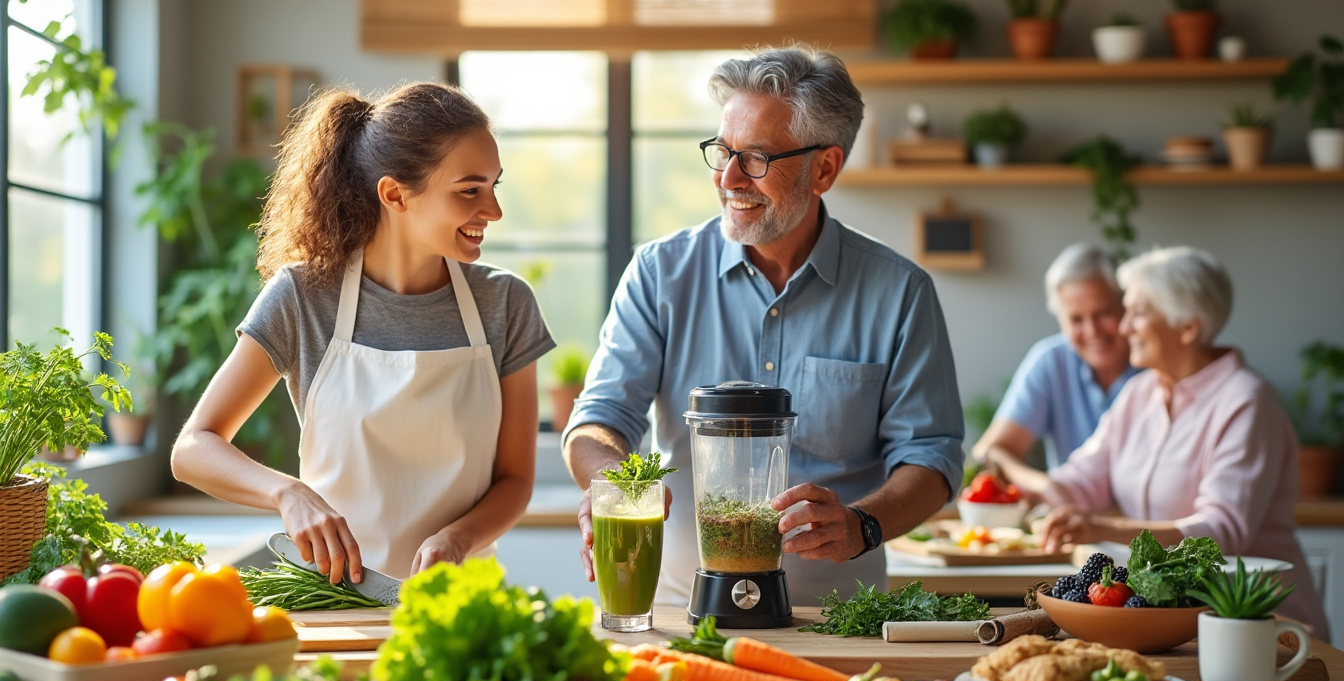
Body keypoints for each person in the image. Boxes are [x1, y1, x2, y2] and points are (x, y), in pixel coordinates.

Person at [562, 45, 964, 606]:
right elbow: (598, 421)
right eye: (722, 151)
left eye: (756, 157)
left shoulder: (900, 292)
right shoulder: (658, 273)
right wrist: (614, 481)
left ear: (824, 168)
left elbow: (932, 456)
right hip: (680, 615)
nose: (728, 177)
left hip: (840, 620)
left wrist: (861, 524)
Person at [171, 83, 555, 582]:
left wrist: (457, 538)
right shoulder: (302, 297)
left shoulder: (506, 303)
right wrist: (288, 493)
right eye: (469, 190)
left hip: (460, 603)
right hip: (335, 601)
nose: (493, 210)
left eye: (493, 186)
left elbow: (515, 479)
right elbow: (194, 447)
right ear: (395, 194)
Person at [1032, 246, 1329, 638]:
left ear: (1187, 327)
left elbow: (1220, 532)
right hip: (1175, 620)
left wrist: (1101, 527)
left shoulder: (1246, 402)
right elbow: (1084, 478)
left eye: (1138, 313)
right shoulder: (1140, 393)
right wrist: (1016, 495)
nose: (1123, 328)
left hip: (1261, 627)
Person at [973, 243, 1139, 482]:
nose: (1092, 331)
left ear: (1126, 306)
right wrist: (1045, 487)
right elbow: (990, 451)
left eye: (1103, 313)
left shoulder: (1155, 362)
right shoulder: (1051, 361)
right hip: (1069, 513)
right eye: (1076, 319)